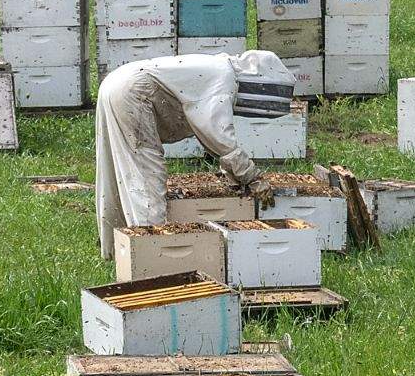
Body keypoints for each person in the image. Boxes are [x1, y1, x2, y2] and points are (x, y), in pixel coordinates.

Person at [94, 49, 298, 261]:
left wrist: (231, 173)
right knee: (146, 176)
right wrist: (252, 177)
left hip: (117, 83)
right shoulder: (223, 79)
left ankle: (115, 250)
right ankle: (152, 255)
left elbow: (207, 134)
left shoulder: (218, 71)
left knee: (115, 171)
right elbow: (218, 135)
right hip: (132, 92)